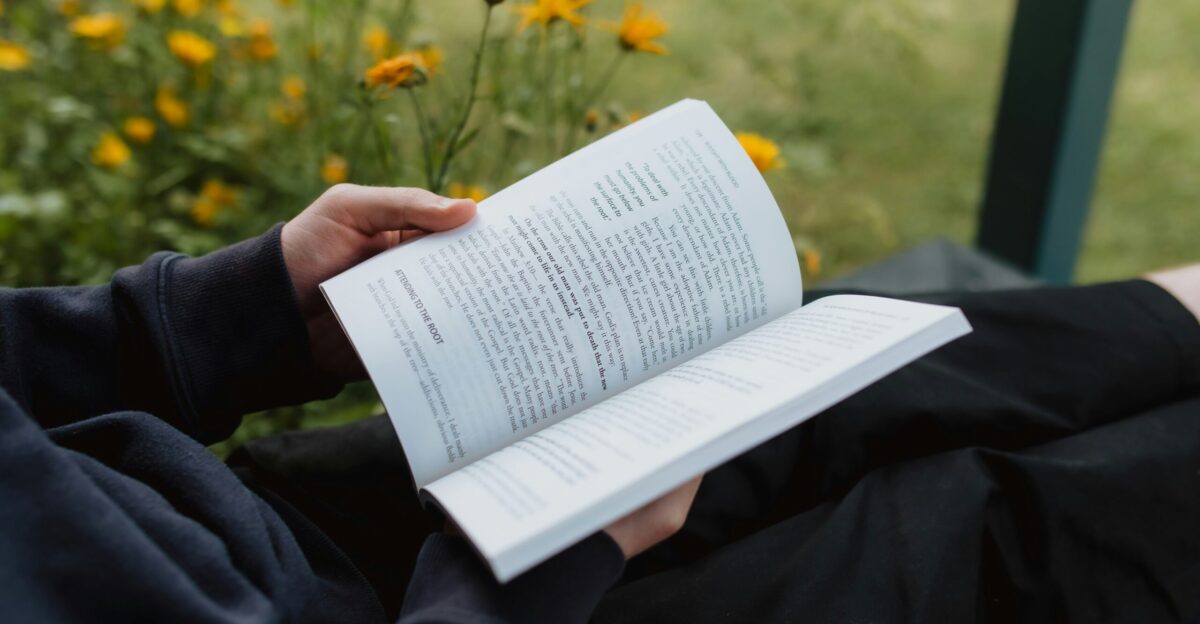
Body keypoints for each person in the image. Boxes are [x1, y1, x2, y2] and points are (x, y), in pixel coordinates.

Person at [1, 185, 1197, 622]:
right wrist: (532, 579)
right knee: (978, 534)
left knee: (834, 365)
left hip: (216, 526)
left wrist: (234, 318)